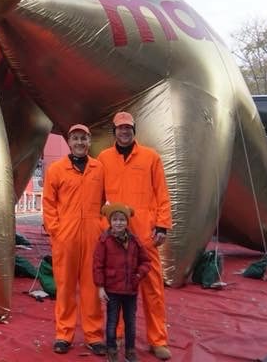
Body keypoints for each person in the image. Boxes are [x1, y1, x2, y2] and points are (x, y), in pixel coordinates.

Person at [97, 112, 173, 361]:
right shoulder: (104, 159)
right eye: (120, 128)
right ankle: (117, 336)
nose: (124, 132)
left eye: (128, 128)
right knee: (117, 288)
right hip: (116, 236)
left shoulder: (151, 157)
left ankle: (158, 339)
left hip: (145, 234)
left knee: (153, 289)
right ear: (114, 132)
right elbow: (97, 197)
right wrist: (103, 225)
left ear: (134, 130)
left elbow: (162, 193)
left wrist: (161, 225)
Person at [42, 124, 106, 355]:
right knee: (66, 287)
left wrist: (102, 227)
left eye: (84, 138)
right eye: (76, 138)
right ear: (69, 142)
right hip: (65, 236)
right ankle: (64, 334)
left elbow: (108, 201)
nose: (80, 142)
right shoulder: (57, 169)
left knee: (92, 287)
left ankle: (94, 335)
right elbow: (48, 203)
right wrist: (56, 231)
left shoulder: (99, 168)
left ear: (89, 142)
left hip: (92, 235)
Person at [93, 203, 151, 362]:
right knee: (112, 322)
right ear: (110, 222)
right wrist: (100, 287)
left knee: (130, 323)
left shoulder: (134, 241)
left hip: (130, 291)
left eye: (122, 219)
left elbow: (146, 262)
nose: (119, 223)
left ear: (127, 221)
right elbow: (98, 266)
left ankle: (130, 350)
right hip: (112, 290)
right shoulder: (104, 241)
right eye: (115, 219)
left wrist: (138, 275)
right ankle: (111, 350)